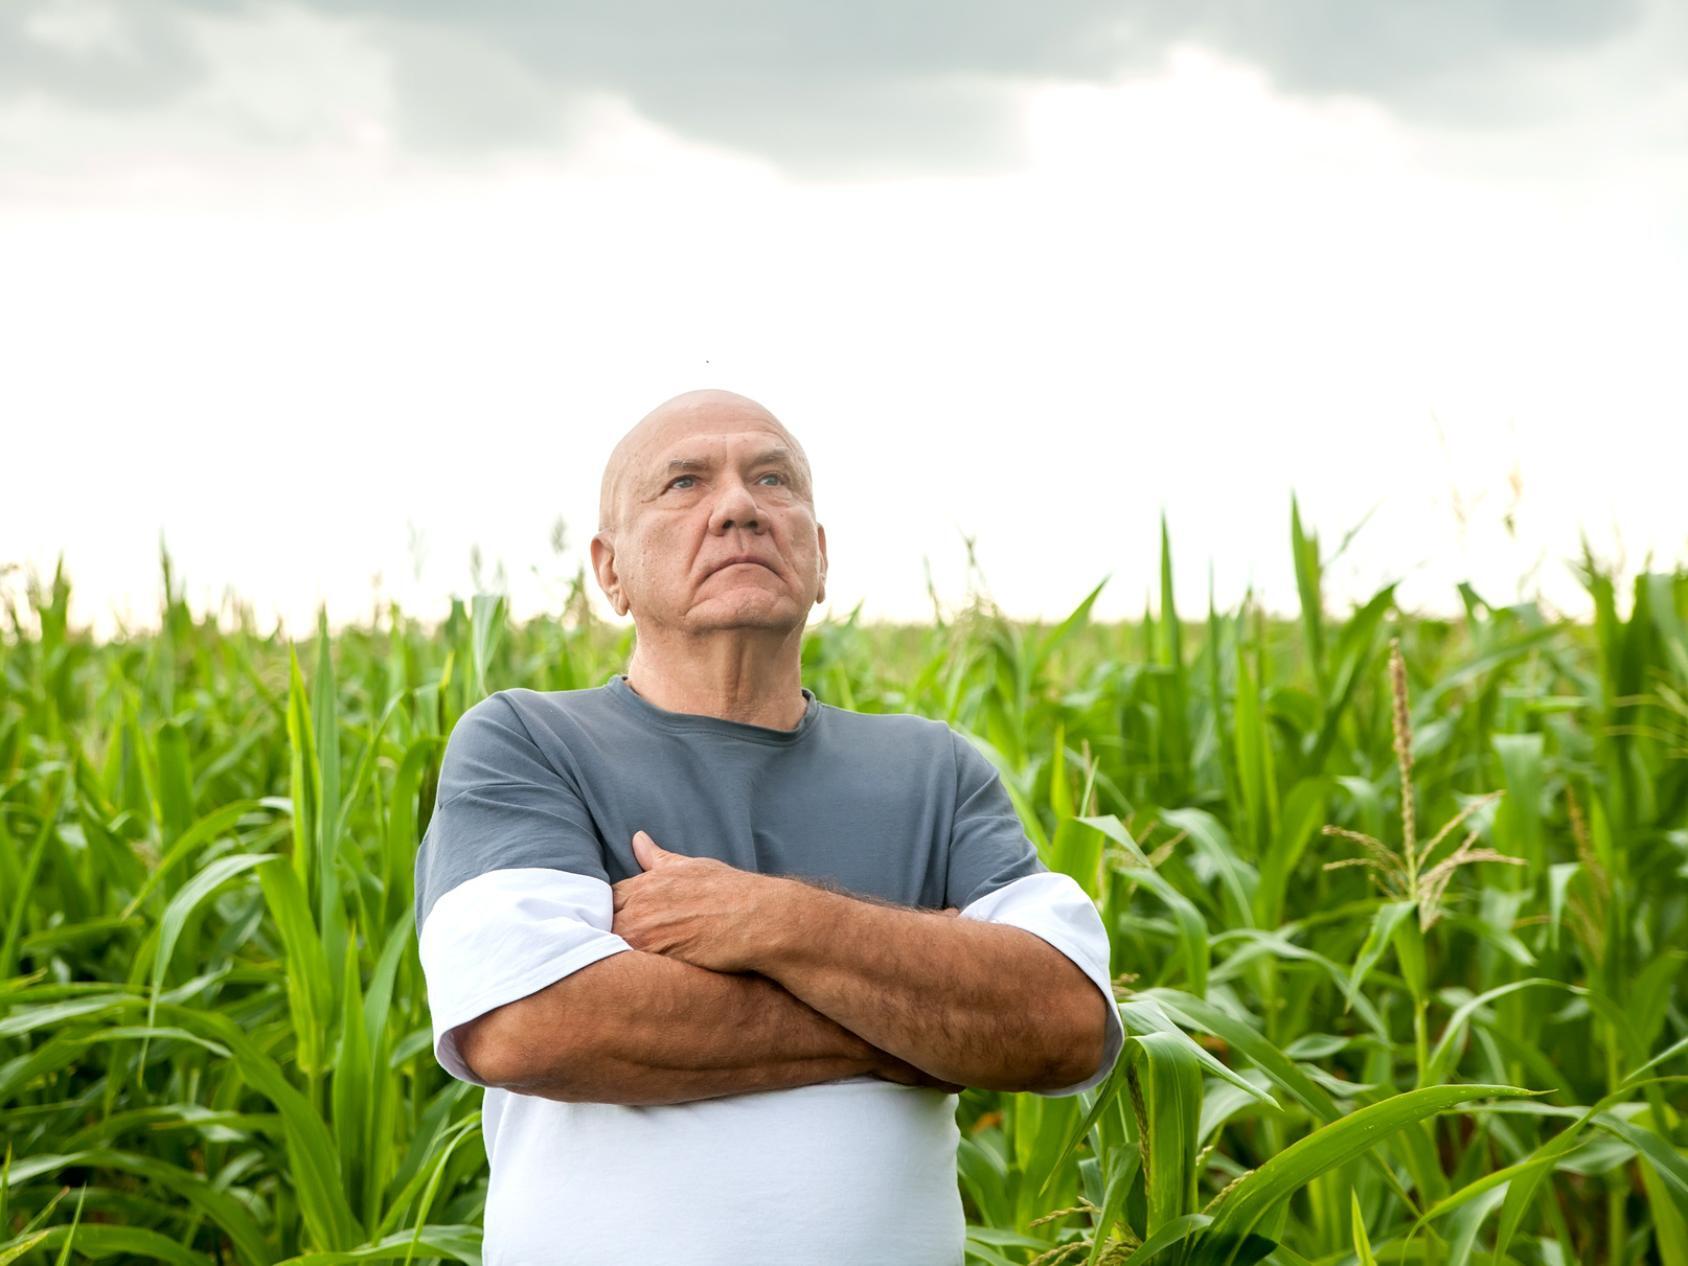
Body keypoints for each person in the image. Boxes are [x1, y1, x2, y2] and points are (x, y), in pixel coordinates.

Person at [413, 388, 1125, 1265]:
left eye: (773, 479)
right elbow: (525, 1020)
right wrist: (908, 1015)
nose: (740, 507)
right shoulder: (527, 739)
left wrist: (773, 921)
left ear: (819, 559)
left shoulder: (934, 769)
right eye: (682, 483)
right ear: (610, 571)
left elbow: (1063, 1024)